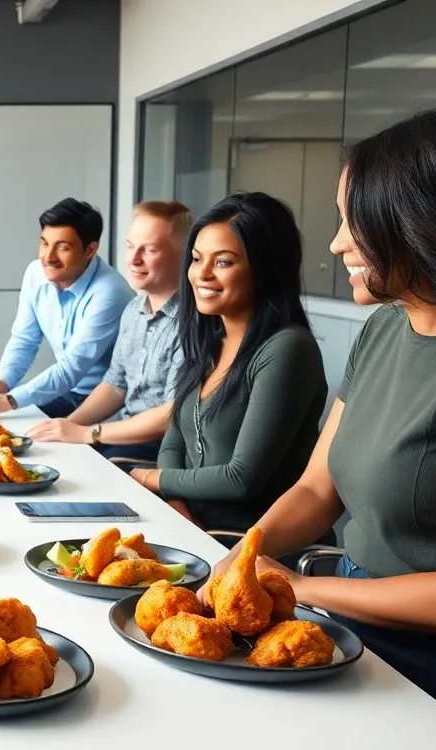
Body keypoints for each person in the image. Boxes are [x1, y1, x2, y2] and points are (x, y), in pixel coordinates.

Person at [202, 107, 436, 716]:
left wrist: (300, 587)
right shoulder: (385, 327)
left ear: (424, 224)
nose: (337, 243)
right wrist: (247, 554)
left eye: (354, 223)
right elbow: (317, 488)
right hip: (350, 616)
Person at [128, 192, 327, 532]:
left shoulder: (287, 349)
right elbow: (173, 443)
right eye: (196, 258)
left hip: (249, 552)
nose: (201, 274)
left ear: (265, 268)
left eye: (223, 262)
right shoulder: (206, 342)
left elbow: (240, 479)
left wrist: (150, 478)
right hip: (190, 530)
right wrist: (175, 504)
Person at [28, 201, 192, 462]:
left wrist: (89, 433)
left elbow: (168, 417)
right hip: (123, 437)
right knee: (47, 452)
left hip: (162, 450)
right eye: (130, 246)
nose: (134, 259)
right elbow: (116, 384)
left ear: (184, 254)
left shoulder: (192, 322)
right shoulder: (134, 309)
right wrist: (67, 428)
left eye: (148, 250)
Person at [0, 198, 134, 416]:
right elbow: (24, 339)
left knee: (33, 440)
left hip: (105, 403)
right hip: (65, 392)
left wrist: (10, 399)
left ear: (90, 250)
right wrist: (3, 383)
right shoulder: (35, 273)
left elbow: (73, 366)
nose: (48, 257)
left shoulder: (110, 292)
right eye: (44, 243)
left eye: (62, 247)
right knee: (0, 428)